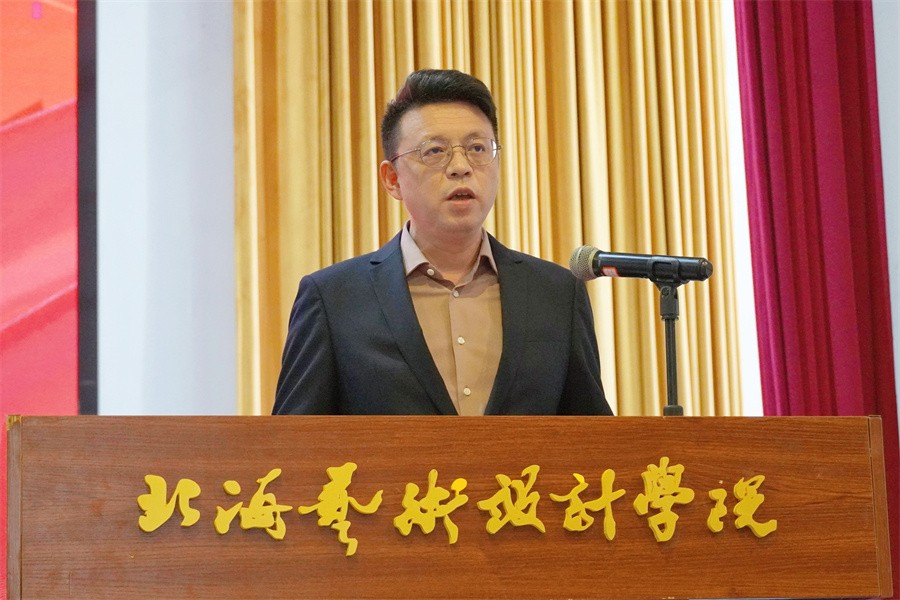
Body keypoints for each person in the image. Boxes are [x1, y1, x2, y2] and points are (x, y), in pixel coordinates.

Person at [273, 69, 612, 416]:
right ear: (392, 179)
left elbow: (592, 435)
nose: (460, 167)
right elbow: (293, 441)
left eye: (477, 148)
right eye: (434, 151)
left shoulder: (556, 294)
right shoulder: (334, 299)